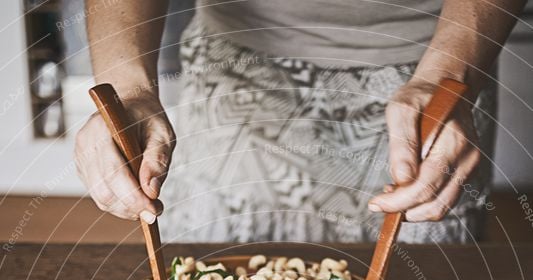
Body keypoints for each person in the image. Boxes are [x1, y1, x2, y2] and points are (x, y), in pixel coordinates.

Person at [75, 0, 524, 244]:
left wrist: (450, 74)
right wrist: (127, 89)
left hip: (432, 67)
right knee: (211, 264)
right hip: (234, 70)